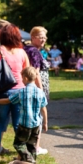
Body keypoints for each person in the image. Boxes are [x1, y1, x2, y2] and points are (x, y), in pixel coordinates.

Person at [0, 23, 31, 162]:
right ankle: (20, 155)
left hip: (2, 91)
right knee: (18, 124)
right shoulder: (22, 52)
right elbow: (28, 72)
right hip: (20, 91)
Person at [0, 67, 48, 164]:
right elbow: (44, 108)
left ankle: (29, 159)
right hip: (36, 124)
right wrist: (45, 122)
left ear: (25, 78)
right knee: (32, 145)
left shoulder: (21, 92)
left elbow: (8, 100)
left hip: (24, 124)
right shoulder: (40, 92)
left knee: (18, 144)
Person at [24, 26, 49, 156]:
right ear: (33, 37)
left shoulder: (27, 49)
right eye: (40, 36)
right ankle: (36, 146)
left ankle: (31, 145)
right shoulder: (33, 51)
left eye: (45, 36)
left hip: (28, 86)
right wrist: (40, 90)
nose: (43, 39)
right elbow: (35, 73)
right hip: (35, 87)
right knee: (37, 117)